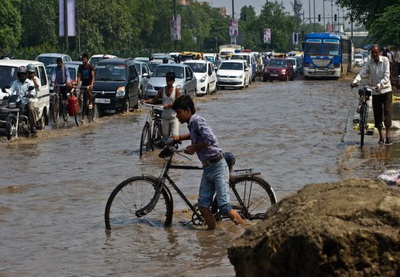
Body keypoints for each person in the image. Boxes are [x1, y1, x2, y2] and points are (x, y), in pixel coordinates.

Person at [171, 95, 244, 230]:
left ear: (187, 110)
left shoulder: (198, 121)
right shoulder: (191, 124)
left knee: (224, 207)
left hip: (217, 166)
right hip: (207, 168)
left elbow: (211, 139)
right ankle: (211, 235)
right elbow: (195, 135)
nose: (177, 116)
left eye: (179, 112)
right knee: (203, 206)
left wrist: (194, 147)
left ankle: (247, 231)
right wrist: (179, 137)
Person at [351, 44, 393, 145]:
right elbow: (362, 72)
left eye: (376, 52)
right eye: (373, 53)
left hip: (386, 90)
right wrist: (355, 81)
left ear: (379, 53)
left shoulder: (385, 61)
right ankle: (381, 137)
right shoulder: (369, 62)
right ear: (371, 53)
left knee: (387, 113)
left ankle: (388, 136)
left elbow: (387, 76)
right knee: (377, 115)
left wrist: (380, 85)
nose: (374, 54)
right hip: (375, 92)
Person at [141, 71, 180, 141]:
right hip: (165, 117)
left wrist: (169, 106)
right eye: (167, 80)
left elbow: (178, 104)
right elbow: (154, 100)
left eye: (170, 81)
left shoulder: (176, 91)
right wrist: (145, 101)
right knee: (165, 138)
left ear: (173, 81)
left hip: (174, 117)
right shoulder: (162, 90)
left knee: (174, 137)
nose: (168, 82)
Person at [8, 66, 39, 133]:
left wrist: (30, 94)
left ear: (26, 74)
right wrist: (7, 95)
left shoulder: (29, 82)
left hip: (27, 101)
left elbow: (33, 92)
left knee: (31, 108)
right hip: (19, 101)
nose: (21, 75)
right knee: (11, 109)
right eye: (20, 74)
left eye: (23, 74)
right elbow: (11, 90)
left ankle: (33, 125)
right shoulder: (15, 82)